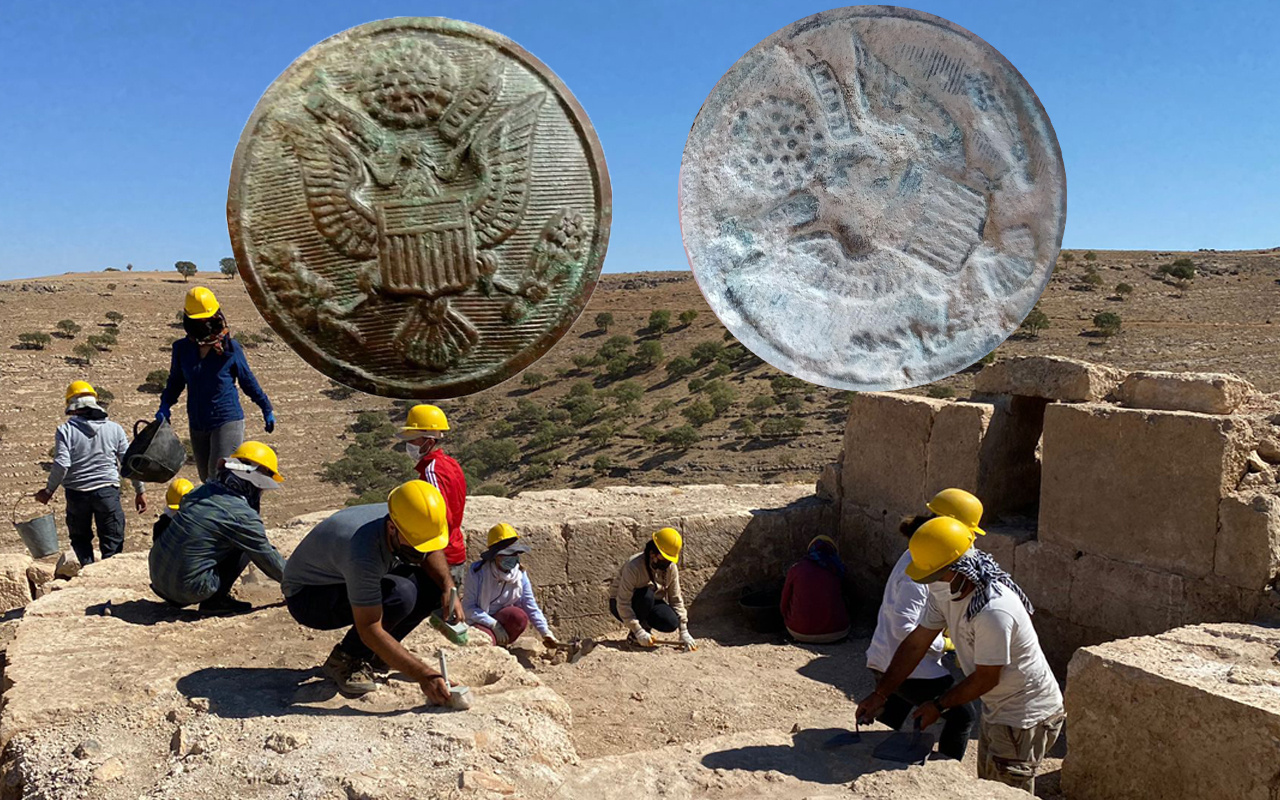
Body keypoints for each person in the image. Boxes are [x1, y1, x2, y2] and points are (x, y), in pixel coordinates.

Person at [856, 517, 1065, 793]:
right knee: (989, 789)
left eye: (934, 576)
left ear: (959, 569)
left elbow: (986, 679)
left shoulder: (993, 611)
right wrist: (881, 693)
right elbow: (916, 643)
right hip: (999, 709)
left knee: (1008, 792)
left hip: (1025, 717)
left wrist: (938, 705)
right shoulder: (947, 592)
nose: (930, 584)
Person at [281, 480, 456, 702]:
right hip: (309, 596)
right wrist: (424, 675)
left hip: (341, 576)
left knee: (433, 587)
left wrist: (448, 587)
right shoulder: (362, 552)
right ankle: (346, 659)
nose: (422, 551)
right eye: (415, 545)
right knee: (400, 595)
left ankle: (377, 654)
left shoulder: (408, 516)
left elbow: (430, 547)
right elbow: (369, 627)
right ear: (392, 528)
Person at [864, 513, 976, 761]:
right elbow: (905, 626)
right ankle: (945, 773)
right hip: (902, 662)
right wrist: (944, 644)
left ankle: (872, 753)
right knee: (962, 717)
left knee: (897, 701)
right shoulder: (921, 568)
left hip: (883, 656)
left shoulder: (915, 554)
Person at [148, 441, 286, 615]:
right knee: (246, 544)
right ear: (254, 482)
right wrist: (301, 582)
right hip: (187, 589)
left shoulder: (199, 492)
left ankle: (185, 593)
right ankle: (215, 602)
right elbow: (267, 557)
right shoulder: (243, 517)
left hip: (158, 580)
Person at [156, 286, 275, 482]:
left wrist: (266, 407)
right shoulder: (182, 349)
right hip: (197, 421)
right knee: (205, 478)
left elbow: (248, 381)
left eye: (209, 318)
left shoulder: (230, 349)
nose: (207, 323)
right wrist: (165, 404)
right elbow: (175, 381)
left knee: (221, 477)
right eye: (200, 320)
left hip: (226, 419)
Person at [34, 381, 146, 565]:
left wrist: (48, 492)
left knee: (81, 541)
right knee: (112, 542)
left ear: (72, 406)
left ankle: (87, 576)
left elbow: (62, 463)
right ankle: (109, 582)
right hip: (107, 493)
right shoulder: (114, 429)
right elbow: (129, 463)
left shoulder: (65, 431)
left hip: (77, 495)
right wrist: (139, 491)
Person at [399, 404, 468, 592]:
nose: (409, 444)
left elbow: (438, 517)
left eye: (413, 439)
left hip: (442, 557)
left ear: (428, 441)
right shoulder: (450, 464)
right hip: (454, 550)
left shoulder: (432, 470)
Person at [464, 523, 559, 649]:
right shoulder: (478, 572)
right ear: (495, 556)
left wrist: (545, 632)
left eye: (514, 554)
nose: (511, 558)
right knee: (486, 640)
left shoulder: (519, 574)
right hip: (481, 619)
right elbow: (469, 608)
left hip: (503, 617)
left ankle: (502, 644)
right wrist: (493, 624)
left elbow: (529, 604)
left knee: (519, 617)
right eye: (506, 555)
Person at [610, 527, 697, 651]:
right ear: (653, 553)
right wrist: (638, 630)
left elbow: (675, 598)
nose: (667, 562)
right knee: (647, 596)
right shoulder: (634, 567)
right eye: (664, 558)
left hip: (651, 600)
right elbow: (623, 602)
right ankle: (636, 635)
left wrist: (683, 630)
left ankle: (645, 627)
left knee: (670, 621)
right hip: (622, 602)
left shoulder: (670, 568)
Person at [780, 535, 850, 643]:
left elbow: (784, 601)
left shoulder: (796, 569)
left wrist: (787, 618)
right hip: (837, 632)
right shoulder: (838, 569)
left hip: (799, 632)